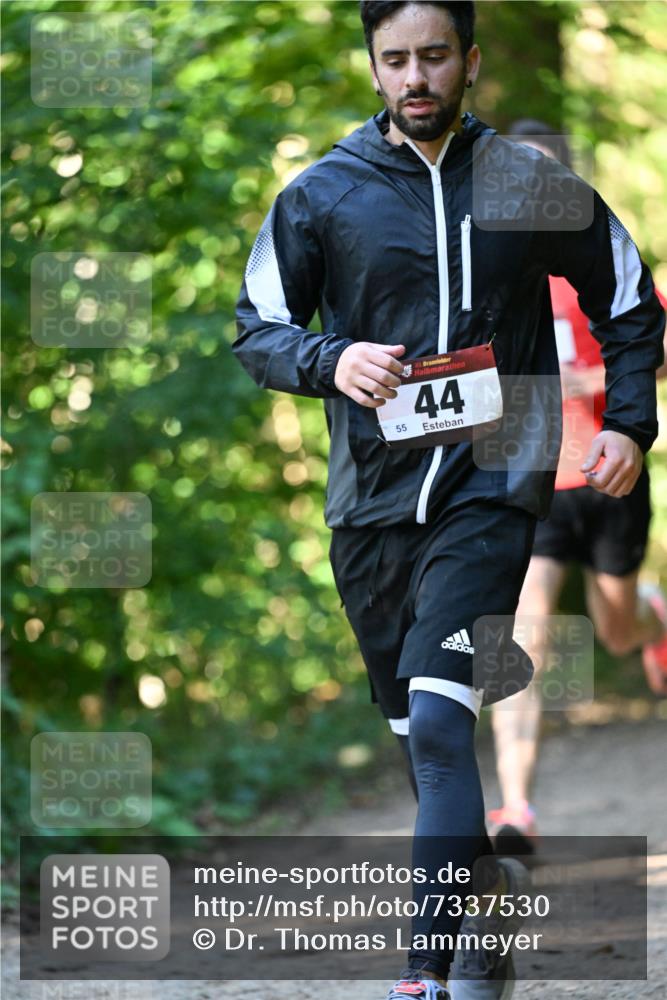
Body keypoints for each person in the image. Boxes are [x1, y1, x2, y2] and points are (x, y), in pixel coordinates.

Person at [233, 3, 665, 998]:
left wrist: (626, 425)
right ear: (373, 68)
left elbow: (629, 301)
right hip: (371, 510)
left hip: (493, 488)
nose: (415, 76)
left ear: (469, 61)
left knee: (440, 724)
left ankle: (422, 974)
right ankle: (482, 920)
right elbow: (255, 326)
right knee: (419, 742)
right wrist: (329, 356)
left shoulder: (525, 183)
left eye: (434, 56)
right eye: (396, 59)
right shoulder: (323, 196)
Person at [487, 121, 667, 854]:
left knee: (616, 631)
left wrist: (588, 384)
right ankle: (515, 810)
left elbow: (649, 354)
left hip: (609, 472)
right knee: (519, 637)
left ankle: (652, 616)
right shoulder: (484, 275)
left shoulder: (603, 261)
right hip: (530, 483)